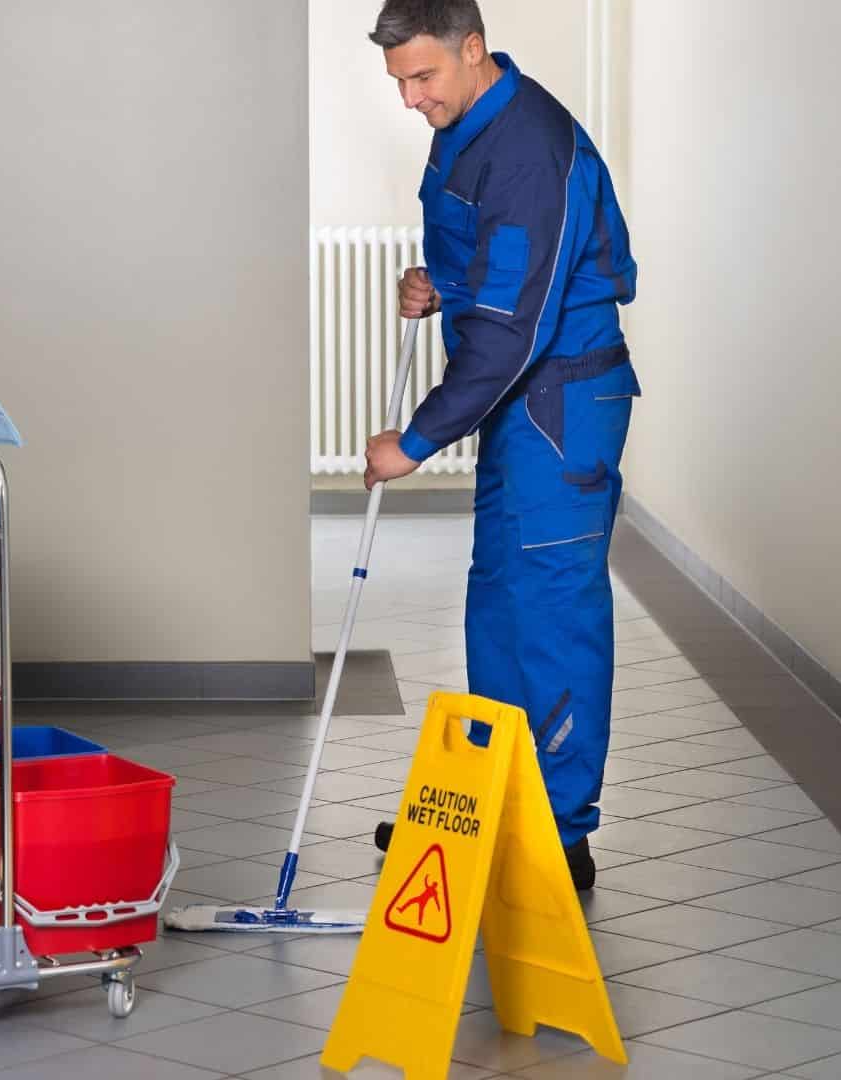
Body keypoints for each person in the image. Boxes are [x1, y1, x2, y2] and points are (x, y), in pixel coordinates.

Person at [362, 0, 639, 891]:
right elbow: (493, 264)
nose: (410, 98)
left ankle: (559, 838)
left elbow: (517, 325)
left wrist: (416, 438)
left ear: (471, 49)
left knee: (551, 614)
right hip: (525, 406)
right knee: (500, 604)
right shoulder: (471, 121)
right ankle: (493, 807)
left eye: (423, 76)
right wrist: (438, 282)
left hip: (560, 407)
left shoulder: (526, 147)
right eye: (399, 80)